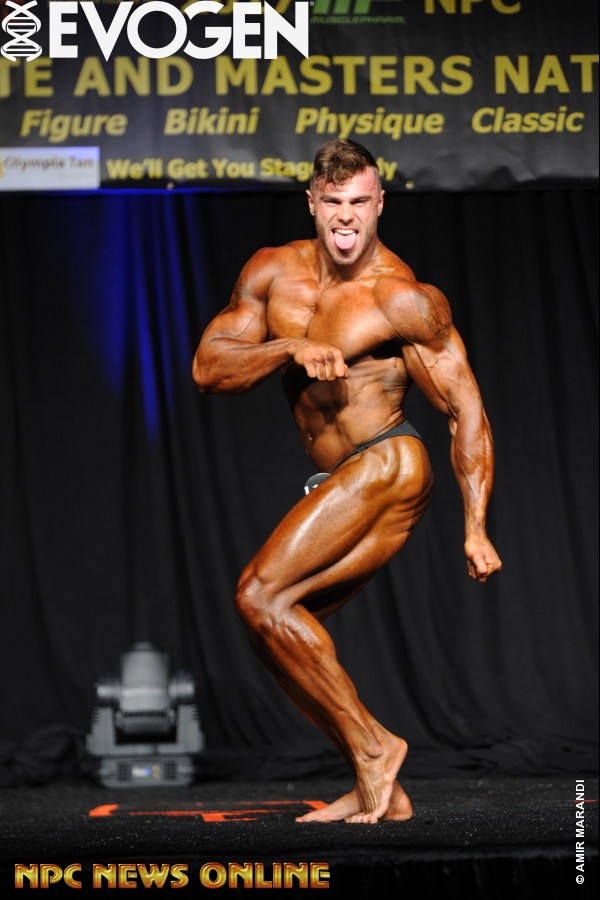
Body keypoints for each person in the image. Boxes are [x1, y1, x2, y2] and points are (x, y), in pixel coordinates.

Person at [192, 140, 502, 824]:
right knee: (273, 626)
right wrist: (289, 347)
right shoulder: (271, 272)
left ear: (380, 203)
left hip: (390, 463)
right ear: (312, 201)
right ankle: (377, 783)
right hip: (344, 475)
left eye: (359, 201)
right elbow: (209, 369)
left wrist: (475, 525)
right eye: (333, 201)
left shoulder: (401, 298)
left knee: (259, 593)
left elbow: (465, 410)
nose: (345, 217)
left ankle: (375, 750)